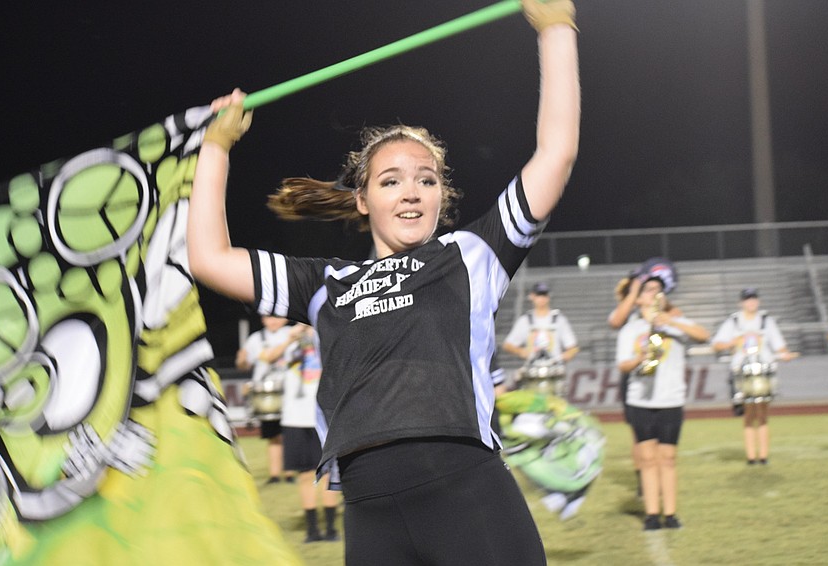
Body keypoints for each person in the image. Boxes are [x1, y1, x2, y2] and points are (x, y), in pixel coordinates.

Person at [188, 1, 579, 563]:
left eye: (427, 179)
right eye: (391, 180)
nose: (412, 191)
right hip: (370, 509)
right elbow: (209, 257)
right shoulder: (326, 284)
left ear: (442, 196)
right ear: (363, 200)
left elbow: (556, 152)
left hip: (466, 489)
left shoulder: (472, 255)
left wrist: (555, 29)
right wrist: (215, 148)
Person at [616, 276, 709, 530]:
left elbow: (703, 335)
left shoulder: (675, 323)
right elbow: (622, 365)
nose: (655, 294)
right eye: (649, 290)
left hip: (671, 400)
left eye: (659, 290)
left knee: (668, 458)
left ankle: (670, 514)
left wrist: (670, 321)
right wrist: (639, 357)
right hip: (640, 401)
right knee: (647, 459)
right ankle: (652, 514)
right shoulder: (631, 329)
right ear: (639, 299)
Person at [608, 260, 682, 499]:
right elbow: (615, 321)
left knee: (660, 437)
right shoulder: (631, 315)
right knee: (638, 434)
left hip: (661, 376)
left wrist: (657, 297)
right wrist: (635, 291)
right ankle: (643, 477)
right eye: (646, 288)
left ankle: (656, 478)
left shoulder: (662, 309)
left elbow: (676, 315)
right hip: (634, 375)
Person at [711, 288, 796, 465]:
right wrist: (731, 343)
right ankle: (751, 456)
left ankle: (763, 456)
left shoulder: (766, 320)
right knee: (749, 414)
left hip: (763, 369)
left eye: (754, 299)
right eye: (747, 299)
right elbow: (717, 345)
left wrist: (785, 353)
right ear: (741, 302)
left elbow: (779, 345)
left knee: (763, 414)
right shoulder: (734, 321)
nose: (751, 302)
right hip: (742, 371)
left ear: (758, 301)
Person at [279, 323, 342, 542]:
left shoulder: (325, 332)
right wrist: (290, 337)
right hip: (295, 418)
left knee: (328, 474)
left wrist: (316, 330)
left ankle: (332, 529)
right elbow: (266, 357)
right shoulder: (286, 338)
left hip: (323, 416)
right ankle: (312, 530)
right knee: (305, 475)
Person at [236, 315, 301, 484]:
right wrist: (241, 360)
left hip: (291, 390)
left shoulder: (293, 332)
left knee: (289, 434)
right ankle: (274, 475)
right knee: (272, 436)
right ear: (262, 319)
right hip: (267, 393)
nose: (272, 321)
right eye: (268, 317)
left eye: (277, 317)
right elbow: (246, 364)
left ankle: (289, 473)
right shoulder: (256, 338)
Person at [503, 281, 580, 384]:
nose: (542, 299)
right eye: (539, 295)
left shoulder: (559, 320)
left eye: (544, 295)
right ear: (532, 297)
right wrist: (523, 352)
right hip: (532, 372)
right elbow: (508, 345)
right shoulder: (525, 321)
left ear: (548, 297)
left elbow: (573, 348)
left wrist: (560, 358)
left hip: (554, 372)